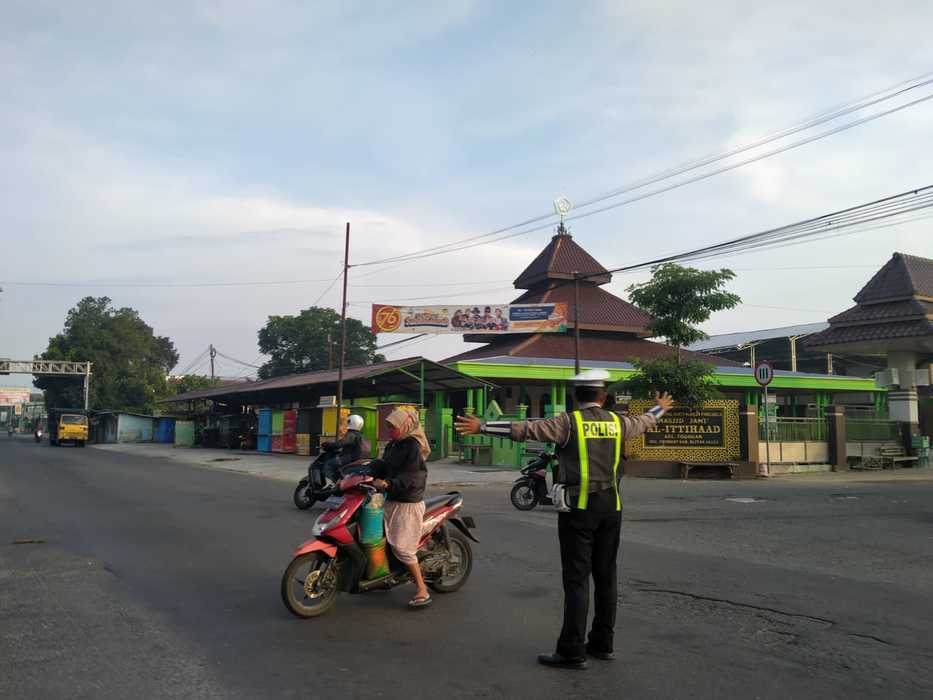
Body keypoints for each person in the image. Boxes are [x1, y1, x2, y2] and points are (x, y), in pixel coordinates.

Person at [456, 370, 674, 669]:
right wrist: (659, 407)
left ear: (575, 395)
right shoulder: (618, 422)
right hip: (611, 507)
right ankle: (603, 644)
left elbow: (525, 429)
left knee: (577, 580)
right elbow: (645, 421)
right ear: (603, 396)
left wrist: (482, 426)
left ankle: (572, 650)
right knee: (606, 576)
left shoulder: (567, 423)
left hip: (578, 509)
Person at [369, 408, 431, 609]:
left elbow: (412, 476)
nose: (389, 430)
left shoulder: (413, 447)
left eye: (393, 427)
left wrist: (388, 483)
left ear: (405, 426)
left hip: (407, 503)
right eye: (388, 426)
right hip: (391, 499)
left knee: (403, 548)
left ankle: (422, 589)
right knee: (378, 538)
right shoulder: (393, 445)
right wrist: (364, 469)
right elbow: (385, 466)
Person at [314, 414, 366, 487]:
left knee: (328, 465)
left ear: (351, 422)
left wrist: (327, 444)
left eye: (348, 421)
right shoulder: (360, 435)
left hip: (348, 458)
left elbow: (340, 444)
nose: (347, 423)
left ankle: (338, 482)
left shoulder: (351, 434)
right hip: (358, 458)